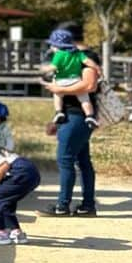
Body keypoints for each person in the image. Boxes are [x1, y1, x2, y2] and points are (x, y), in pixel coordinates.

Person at [43, 21, 100, 217]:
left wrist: (60, 89)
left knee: (65, 159)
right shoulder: (69, 55)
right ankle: (87, 205)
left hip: (78, 115)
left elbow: (89, 85)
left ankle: (62, 205)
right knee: (83, 160)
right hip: (72, 115)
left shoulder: (87, 57)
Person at [42, 29, 97, 130]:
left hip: (63, 85)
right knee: (85, 100)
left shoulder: (59, 55)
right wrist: (98, 68)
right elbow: (89, 62)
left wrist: (43, 69)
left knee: (57, 95)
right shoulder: (78, 54)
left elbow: (52, 68)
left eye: (53, 45)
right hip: (76, 80)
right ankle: (90, 116)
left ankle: (59, 112)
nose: (51, 48)